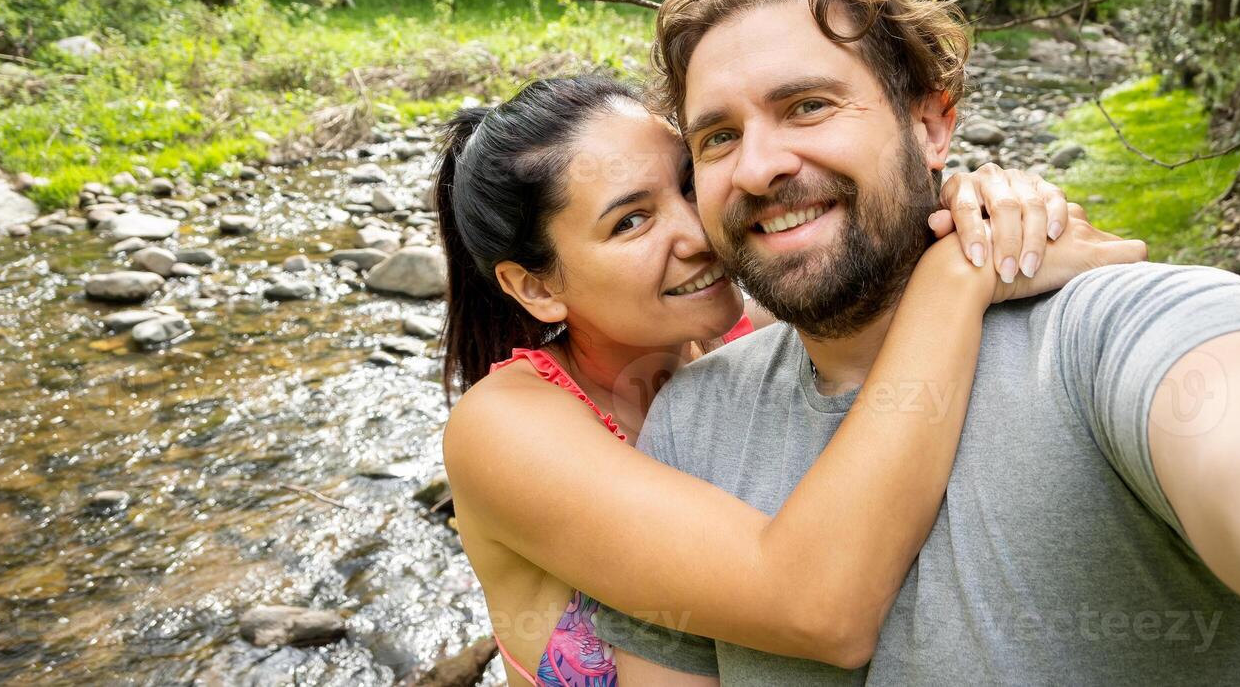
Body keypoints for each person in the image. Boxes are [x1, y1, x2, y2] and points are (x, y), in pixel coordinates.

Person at [595, 0, 1240, 686]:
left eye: (807, 106)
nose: (757, 167)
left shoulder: (1110, 334)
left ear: (933, 124)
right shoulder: (692, 422)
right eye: (716, 138)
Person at [435, 75, 1147, 687]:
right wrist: (956, 278)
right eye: (632, 221)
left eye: (690, 184)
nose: (699, 232)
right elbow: (818, 610)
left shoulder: (764, 337)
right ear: (534, 288)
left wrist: (977, 213)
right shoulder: (505, 429)